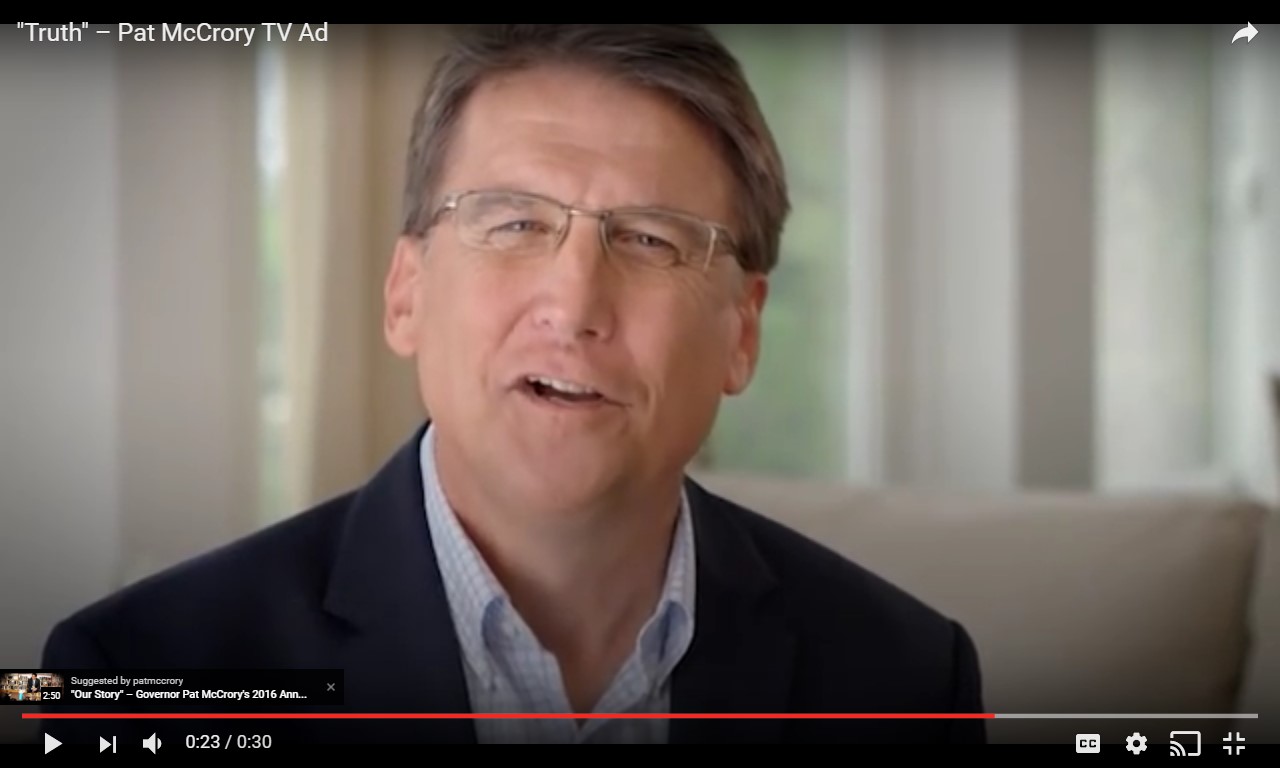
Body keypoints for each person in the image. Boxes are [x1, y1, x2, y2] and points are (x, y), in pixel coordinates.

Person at [43, 24, 985, 745]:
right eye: (515, 225)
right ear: (406, 293)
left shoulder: (906, 681)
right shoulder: (137, 673)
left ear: (742, 332)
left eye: (650, 239)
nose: (573, 305)